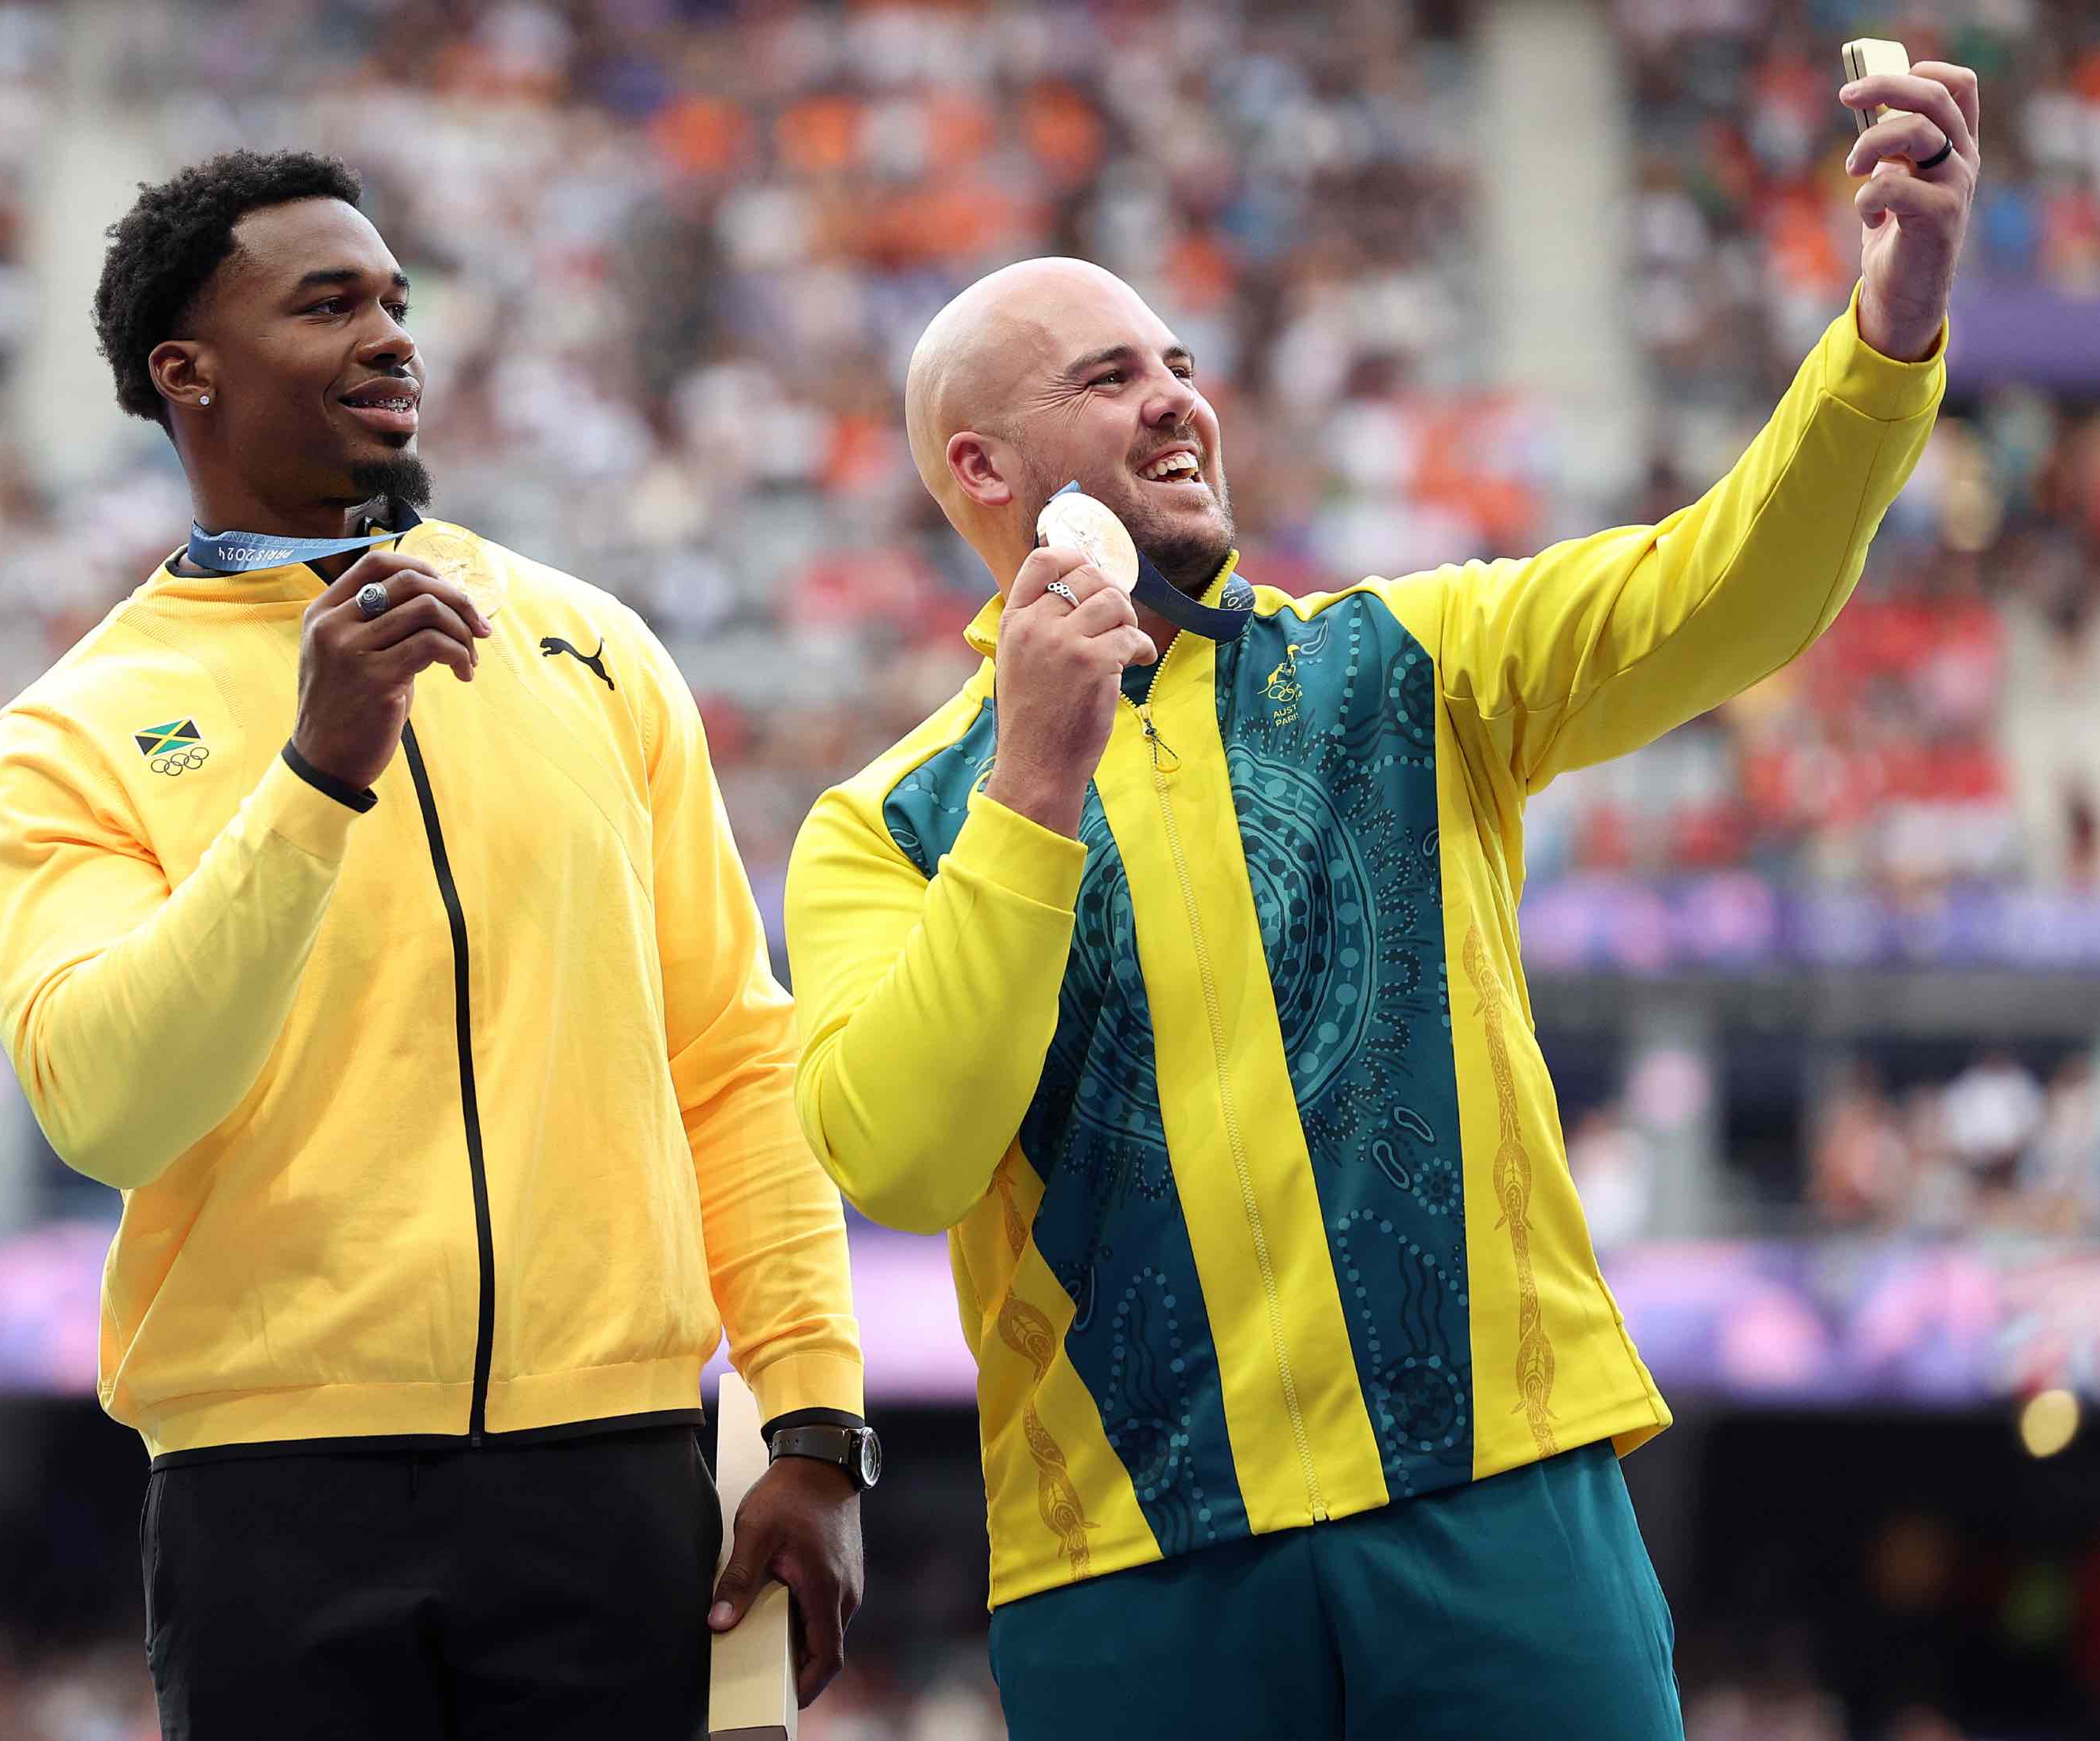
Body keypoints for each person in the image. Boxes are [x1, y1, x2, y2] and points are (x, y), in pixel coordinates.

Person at [783, 60, 1982, 1741]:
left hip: (1494, 1501)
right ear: (982, 467)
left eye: (1180, 366)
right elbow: (898, 1154)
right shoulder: (883, 822)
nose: (1174, 399)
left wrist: (1888, 332)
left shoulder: (1408, 659)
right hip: (1133, 1563)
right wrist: (1031, 784)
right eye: (1109, 374)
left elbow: (1731, 586)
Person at [0, 149, 869, 1738]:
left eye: (395, 300)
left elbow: (734, 1052)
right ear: (185, 373)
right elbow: (105, 1101)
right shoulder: (76, 726)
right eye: (327, 305)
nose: (392, 336)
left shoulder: (595, 649)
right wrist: (314, 770)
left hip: (615, 1472)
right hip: (271, 1492)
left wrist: (810, 1413)